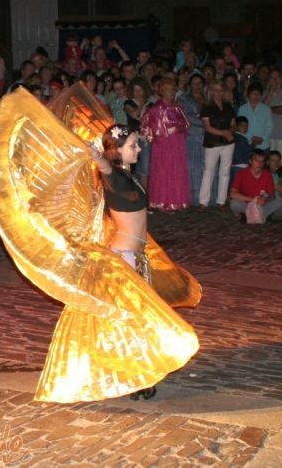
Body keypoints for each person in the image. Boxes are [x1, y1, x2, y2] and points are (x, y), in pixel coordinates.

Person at [33, 123, 199, 402]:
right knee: (135, 321)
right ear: (117, 151)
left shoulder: (127, 175)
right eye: (133, 145)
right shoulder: (114, 176)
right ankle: (138, 377)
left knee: (137, 321)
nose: (139, 148)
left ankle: (139, 374)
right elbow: (104, 166)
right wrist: (95, 153)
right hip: (124, 262)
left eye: (137, 143)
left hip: (137, 259)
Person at [139, 77, 190, 211]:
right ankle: (162, 201)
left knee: (177, 171)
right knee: (164, 171)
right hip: (163, 144)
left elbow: (185, 124)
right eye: (167, 89)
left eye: (173, 89)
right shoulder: (156, 108)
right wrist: (155, 137)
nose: (171, 92)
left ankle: (177, 201)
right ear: (161, 91)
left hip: (177, 143)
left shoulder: (178, 106)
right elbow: (145, 124)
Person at [199, 79, 235, 210]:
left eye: (221, 90)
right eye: (215, 90)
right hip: (213, 142)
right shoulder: (206, 107)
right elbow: (208, 128)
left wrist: (229, 132)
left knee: (225, 172)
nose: (218, 93)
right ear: (211, 92)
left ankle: (221, 201)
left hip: (228, 143)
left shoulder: (228, 106)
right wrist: (224, 133)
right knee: (209, 171)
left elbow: (233, 124)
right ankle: (203, 202)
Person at [229, 150, 282, 221]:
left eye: (262, 161)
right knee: (234, 203)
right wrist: (253, 200)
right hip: (247, 204)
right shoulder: (241, 173)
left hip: (261, 205)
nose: (259, 163)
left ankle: (252, 215)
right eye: (256, 160)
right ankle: (258, 215)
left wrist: (264, 200)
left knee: (280, 201)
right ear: (250, 161)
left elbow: (271, 196)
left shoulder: (267, 175)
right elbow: (233, 193)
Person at [178, 73, 207, 205]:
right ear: (189, 85)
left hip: (208, 136)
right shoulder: (184, 98)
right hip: (192, 136)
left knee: (205, 167)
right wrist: (207, 123)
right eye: (194, 83)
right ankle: (191, 198)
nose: (197, 86)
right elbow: (186, 116)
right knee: (192, 167)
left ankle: (204, 197)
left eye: (199, 83)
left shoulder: (207, 97)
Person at [264, 69, 282, 167]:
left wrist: (268, 109)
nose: (275, 80)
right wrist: (270, 93)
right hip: (269, 135)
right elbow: (261, 110)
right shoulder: (266, 93)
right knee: (269, 164)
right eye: (272, 78)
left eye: (277, 77)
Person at [238, 82, 273, 152]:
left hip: (264, 145)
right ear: (248, 95)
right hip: (247, 143)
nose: (256, 96)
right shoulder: (242, 109)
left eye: (258, 94)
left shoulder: (266, 109)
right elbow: (240, 127)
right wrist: (251, 138)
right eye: (253, 94)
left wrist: (262, 138)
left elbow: (269, 126)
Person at [230, 116, 251, 185]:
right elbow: (248, 151)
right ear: (236, 126)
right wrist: (254, 144)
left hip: (235, 165)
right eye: (242, 126)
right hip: (241, 165)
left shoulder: (235, 136)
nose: (245, 128)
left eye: (246, 126)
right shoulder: (241, 138)